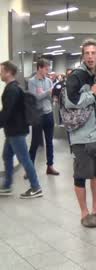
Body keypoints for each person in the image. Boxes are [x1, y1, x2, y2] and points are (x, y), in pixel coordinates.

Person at [65, 39, 96, 228]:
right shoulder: (76, 76)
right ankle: (84, 213)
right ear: (83, 56)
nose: (91, 56)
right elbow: (70, 102)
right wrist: (91, 93)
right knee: (81, 175)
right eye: (87, 53)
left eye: (94, 53)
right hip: (82, 137)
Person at [0, 61, 43, 198]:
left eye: (1, 71)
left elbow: (7, 112)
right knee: (7, 155)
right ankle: (7, 185)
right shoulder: (13, 87)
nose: (0, 73)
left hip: (16, 131)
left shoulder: (12, 89)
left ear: (8, 72)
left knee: (24, 159)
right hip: (14, 130)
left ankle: (35, 187)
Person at [27, 58, 60, 177]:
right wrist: (47, 93)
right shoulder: (32, 82)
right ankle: (29, 169)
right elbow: (34, 98)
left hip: (49, 114)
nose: (48, 71)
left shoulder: (49, 81)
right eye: (46, 69)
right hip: (38, 116)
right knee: (35, 142)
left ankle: (50, 166)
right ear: (39, 68)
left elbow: (49, 98)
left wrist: (54, 96)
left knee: (49, 142)